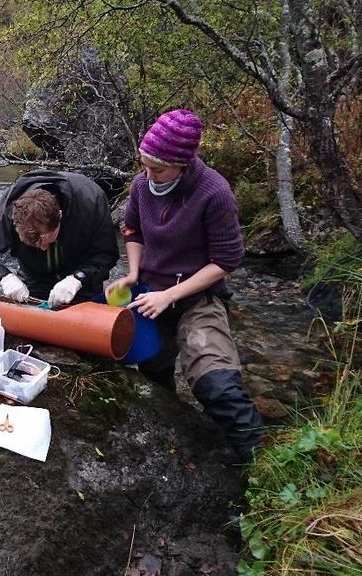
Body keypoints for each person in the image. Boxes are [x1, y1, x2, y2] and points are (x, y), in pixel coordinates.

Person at [106, 108, 265, 461]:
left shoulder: (214, 192)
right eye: (144, 164)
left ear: (182, 163)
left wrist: (172, 294)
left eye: (158, 168)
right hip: (150, 294)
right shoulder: (140, 185)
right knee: (151, 372)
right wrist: (133, 274)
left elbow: (226, 261)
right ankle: (178, 436)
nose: (149, 174)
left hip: (198, 298)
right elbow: (131, 230)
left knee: (216, 384)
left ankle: (263, 470)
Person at [0, 170, 120, 307]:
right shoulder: (6, 213)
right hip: (33, 281)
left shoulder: (90, 201)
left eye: (46, 242)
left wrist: (78, 278)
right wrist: (3, 277)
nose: (43, 248)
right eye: (33, 244)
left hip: (82, 282)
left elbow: (107, 253)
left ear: (60, 216)